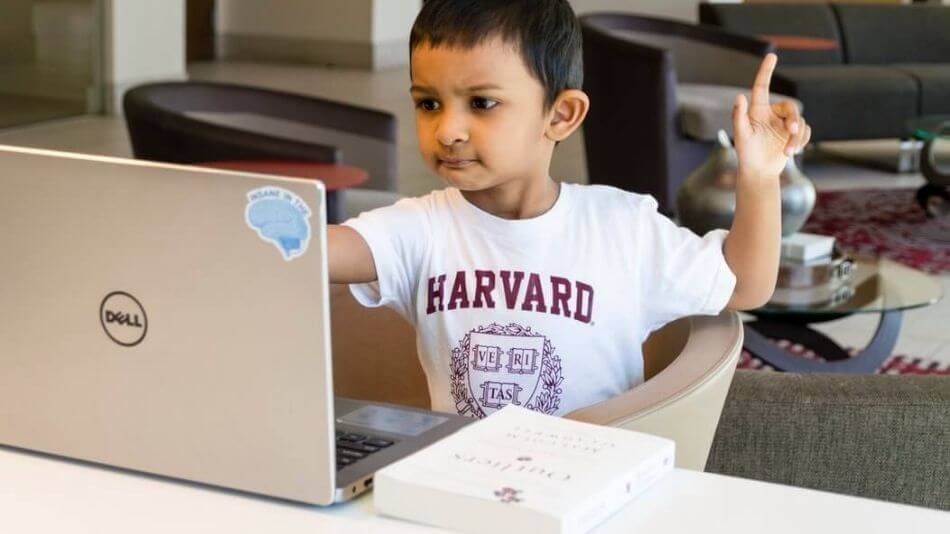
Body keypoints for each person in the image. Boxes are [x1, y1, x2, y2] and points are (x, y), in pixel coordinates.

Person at [327, 0, 810, 418]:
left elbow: (746, 284)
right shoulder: (419, 229)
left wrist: (762, 176)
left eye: (481, 103)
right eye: (429, 104)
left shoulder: (622, 228)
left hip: (595, 490)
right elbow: (312, 251)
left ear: (560, 115)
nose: (448, 129)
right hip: (464, 492)